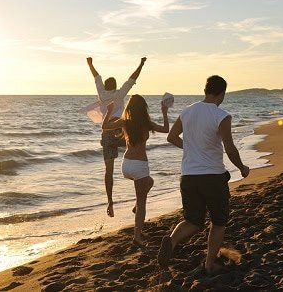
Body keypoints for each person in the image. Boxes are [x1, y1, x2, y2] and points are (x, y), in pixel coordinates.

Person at [157, 75, 250, 275]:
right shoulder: (221, 115)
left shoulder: (187, 111)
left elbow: (171, 137)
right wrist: (242, 167)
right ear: (222, 93)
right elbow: (230, 148)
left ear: (206, 90)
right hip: (213, 177)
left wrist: (191, 149)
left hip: (188, 176)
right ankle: (209, 264)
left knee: (193, 221)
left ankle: (171, 241)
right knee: (218, 222)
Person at [102, 94, 169, 246]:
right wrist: (164, 111)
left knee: (150, 182)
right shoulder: (147, 123)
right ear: (143, 108)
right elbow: (166, 129)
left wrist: (109, 111)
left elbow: (104, 126)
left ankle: (135, 208)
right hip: (139, 165)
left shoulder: (124, 122)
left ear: (129, 108)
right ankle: (137, 237)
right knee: (142, 203)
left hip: (126, 165)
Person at [86, 57, 147, 217]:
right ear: (115, 86)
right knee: (136, 158)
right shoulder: (120, 94)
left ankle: (110, 201)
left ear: (106, 86)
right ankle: (138, 199)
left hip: (107, 131)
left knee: (109, 171)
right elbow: (132, 79)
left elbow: (96, 77)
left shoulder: (101, 92)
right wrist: (141, 64)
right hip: (121, 131)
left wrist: (90, 64)